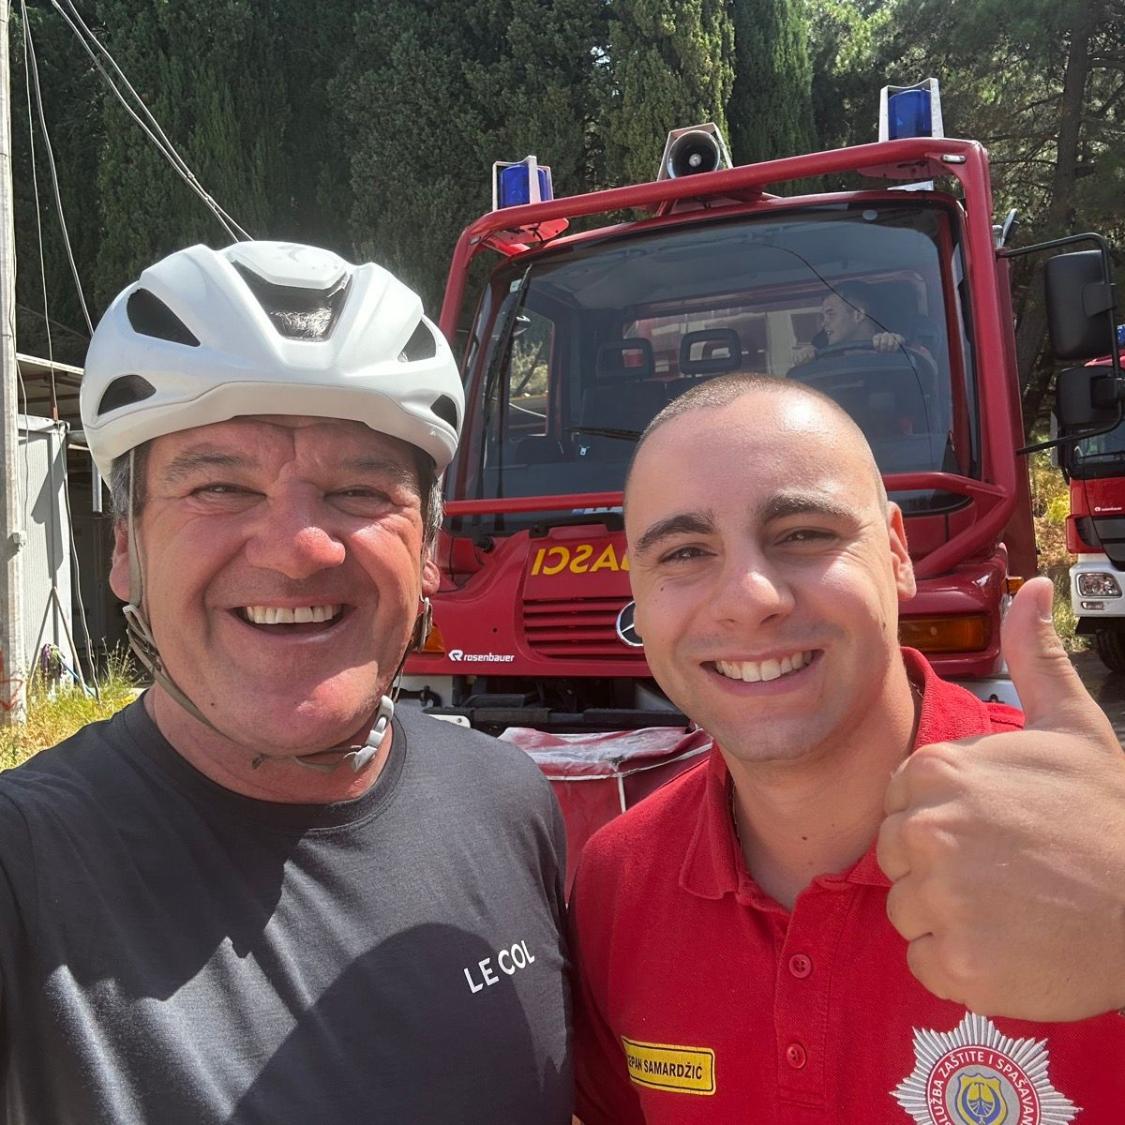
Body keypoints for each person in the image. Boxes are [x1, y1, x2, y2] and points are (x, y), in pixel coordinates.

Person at [0, 242, 572, 1123]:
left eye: (360, 491)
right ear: (125, 547)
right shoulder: (23, 868)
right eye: (220, 487)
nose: (301, 548)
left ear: (427, 547)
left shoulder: (509, 803)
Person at [570, 373, 1125, 1124]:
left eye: (803, 534)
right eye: (683, 552)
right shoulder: (616, 883)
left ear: (895, 553)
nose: (750, 599)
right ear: (636, 588)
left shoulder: (1096, 842)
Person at [791, 281, 906, 364]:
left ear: (858, 315)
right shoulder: (825, 362)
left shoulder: (893, 351)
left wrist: (893, 345)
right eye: (823, 316)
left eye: (831, 314)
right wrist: (807, 361)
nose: (823, 323)